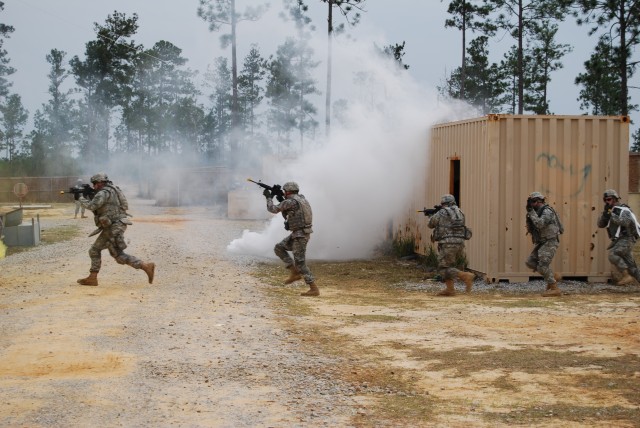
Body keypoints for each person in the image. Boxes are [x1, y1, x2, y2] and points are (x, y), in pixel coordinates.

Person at [76, 173, 155, 287]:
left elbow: (93, 206)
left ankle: (93, 278)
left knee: (94, 250)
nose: (94, 186)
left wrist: (81, 198)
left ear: (100, 182)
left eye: (95, 183)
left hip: (113, 226)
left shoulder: (103, 193)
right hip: (116, 225)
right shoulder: (113, 190)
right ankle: (146, 266)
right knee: (118, 256)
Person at [263, 181, 318, 297]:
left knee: (300, 263)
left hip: (300, 235)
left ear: (287, 191)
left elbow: (272, 209)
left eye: (284, 191)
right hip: (298, 234)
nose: (284, 193)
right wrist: (281, 199)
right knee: (279, 248)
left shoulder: (290, 201)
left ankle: (314, 288)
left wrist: (269, 197)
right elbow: (291, 212)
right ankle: (294, 272)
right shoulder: (302, 199)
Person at [427, 194, 474, 296]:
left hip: (447, 243)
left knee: (443, 268)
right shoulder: (460, 212)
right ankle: (450, 290)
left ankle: (465, 276)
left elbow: (430, 224)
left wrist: (430, 216)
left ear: (444, 203)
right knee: (448, 266)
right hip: (460, 243)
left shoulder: (442, 212)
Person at [597, 189, 640, 286]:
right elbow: (600, 225)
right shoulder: (609, 211)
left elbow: (625, 222)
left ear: (615, 199)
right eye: (605, 200)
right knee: (632, 268)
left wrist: (612, 215)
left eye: (609, 199)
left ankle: (626, 276)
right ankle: (630, 274)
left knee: (613, 254)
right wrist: (605, 215)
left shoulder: (623, 209)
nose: (607, 202)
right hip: (619, 240)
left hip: (627, 238)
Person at [525, 191, 563, 297]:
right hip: (542, 242)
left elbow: (540, 224)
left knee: (542, 266)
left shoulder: (547, 211)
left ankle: (554, 288)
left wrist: (531, 212)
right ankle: (552, 277)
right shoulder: (536, 212)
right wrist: (530, 213)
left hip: (550, 241)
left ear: (539, 201)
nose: (531, 204)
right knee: (530, 262)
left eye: (533, 202)